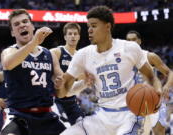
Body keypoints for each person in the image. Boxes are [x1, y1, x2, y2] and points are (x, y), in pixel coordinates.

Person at [60, 5, 162, 135]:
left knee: (159, 128)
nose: (89, 30)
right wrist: (82, 83)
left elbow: (152, 77)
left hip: (130, 113)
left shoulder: (129, 48)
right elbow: (66, 91)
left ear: (107, 26)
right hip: (103, 114)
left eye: (94, 26)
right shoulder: (84, 54)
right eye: (88, 27)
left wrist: (157, 90)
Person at [0, 9, 66, 135]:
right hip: (18, 115)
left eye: (25, 21)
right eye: (16, 24)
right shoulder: (9, 51)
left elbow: (60, 88)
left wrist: (60, 82)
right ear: (13, 33)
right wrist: (34, 42)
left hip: (46, 115)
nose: (22, 25)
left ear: (32, 26)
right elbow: (8, 64)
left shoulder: (49, 54)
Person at [126, 30, 173, 135]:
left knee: (159, 132)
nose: (131, 42)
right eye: (128, 40)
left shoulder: (149, 56)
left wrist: (167, 86)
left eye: (133, 39)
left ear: (139, 41)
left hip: (153, 99)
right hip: (134, 101)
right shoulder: (122, 60)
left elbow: (170, 73)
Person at [50, 22, 86, 125]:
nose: (72, 36)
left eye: (75, 34)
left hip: (71, 99)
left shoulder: (81, 57)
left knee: (83, 127)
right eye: (70, 34)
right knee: (63, 126)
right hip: (54, 98)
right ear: (65, 37)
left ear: (79, 36)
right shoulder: (57, 52)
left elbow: (81, 80)